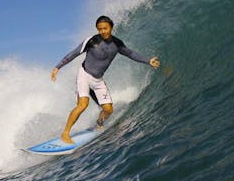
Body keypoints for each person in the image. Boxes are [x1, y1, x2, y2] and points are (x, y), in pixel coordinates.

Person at [51, 16, 160, 144]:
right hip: (84, 75)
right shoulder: (91, 41)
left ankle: (99, 123)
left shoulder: (117, 44)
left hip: (98, 80)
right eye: (100, 29)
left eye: (105, 28)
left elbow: (130, 54)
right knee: (82, 105)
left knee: (108, 109)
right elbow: (74, 53)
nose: (103, 31)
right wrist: (57, 67)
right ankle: (65, 134)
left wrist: (148, 61)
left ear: (111, 28)